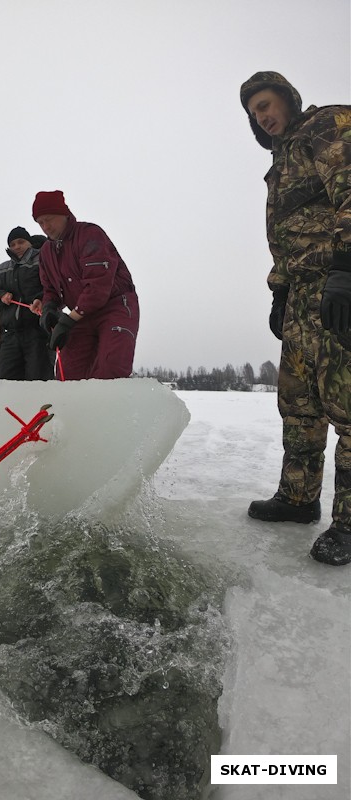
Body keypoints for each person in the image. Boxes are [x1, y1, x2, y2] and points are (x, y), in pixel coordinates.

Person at [240, 71, 351, 566]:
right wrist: (279, 293)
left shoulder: (326, 127)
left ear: (287, 100)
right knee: (299, 404)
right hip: (303, 297)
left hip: (338, 289)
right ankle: (299, 498)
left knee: (347, 407)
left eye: (266, 104)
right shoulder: (278, 166)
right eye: (254, 113)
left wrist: (345, 272)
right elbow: (286, 239)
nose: (263, 117)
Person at [32, 190, 139, 380]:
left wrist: (68, 320)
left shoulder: (90, 234)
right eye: (40, 222)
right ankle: (74, 408)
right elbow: (51, 289)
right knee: (69, 372)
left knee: (111, 366)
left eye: (49, 219)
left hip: (114, 306)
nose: (45, 227)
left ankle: (111, 407)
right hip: (80, 316)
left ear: (64, 214)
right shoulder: (46, 252)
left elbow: (98, 285)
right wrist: (48, 306)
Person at [0, 226, 54, 380]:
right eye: (12, 244)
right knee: (5, 382)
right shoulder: (2, 269)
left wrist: (41, 299)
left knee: (38, 382)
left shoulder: (45, 260)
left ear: (30, 243)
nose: (17, 247)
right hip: (11, 336)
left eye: (21, 242)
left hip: (39, 332)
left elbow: (56, 287)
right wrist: (1, 295)